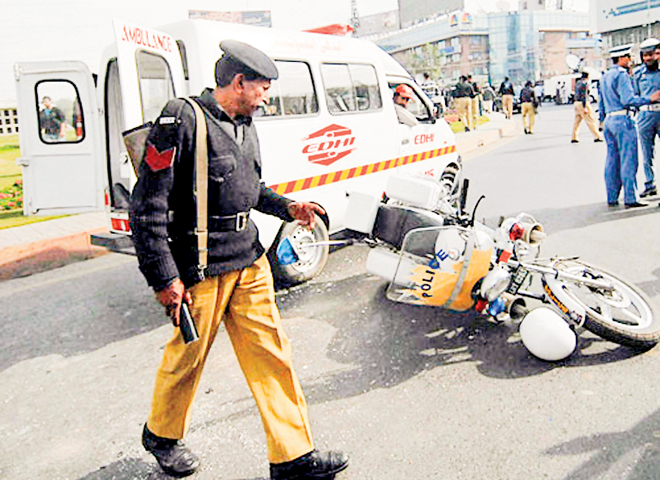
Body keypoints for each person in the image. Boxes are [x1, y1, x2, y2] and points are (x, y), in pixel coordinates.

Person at [129, 40, 349, 479]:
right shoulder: (182, 119)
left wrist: (288, 208)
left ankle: (292, 456)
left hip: (248, 259)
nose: (267, 95)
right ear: (239, 82)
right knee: (188, 356)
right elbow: (147, 207)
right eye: (263, 87)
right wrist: (163, 278)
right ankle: (162, 435)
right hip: (200, 267)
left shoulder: (246, 123)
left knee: (272, 355)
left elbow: (250, 191)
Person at [598, 44, 660, 209]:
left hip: (609, 121)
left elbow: (601, 103)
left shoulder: (605, 76)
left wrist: (601, 121)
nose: (631, 61)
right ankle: (631, 197)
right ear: (622, 58)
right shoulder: (622, 75)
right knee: (628, 160)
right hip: (623, 120)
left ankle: (612, 196)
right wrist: (649, 99)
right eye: (629, 57)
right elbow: (628, 100)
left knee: (612, 160)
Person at [633, 38, 660, 198]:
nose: (648, 58)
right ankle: (650, 184)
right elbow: (635, 96)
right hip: (645, 116)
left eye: (652, 54)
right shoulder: (638, 73)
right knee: (646, 153)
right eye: (645, 55)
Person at [571, 72, 604, 143]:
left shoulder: (578, 83)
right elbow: (584, 95)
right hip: (583, 103)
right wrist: (585, 106)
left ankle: (574, 137)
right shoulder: (584, 83)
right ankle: (597, 136)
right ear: (587, 77)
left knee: (577, 121)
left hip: (576, 102)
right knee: (590, 120)